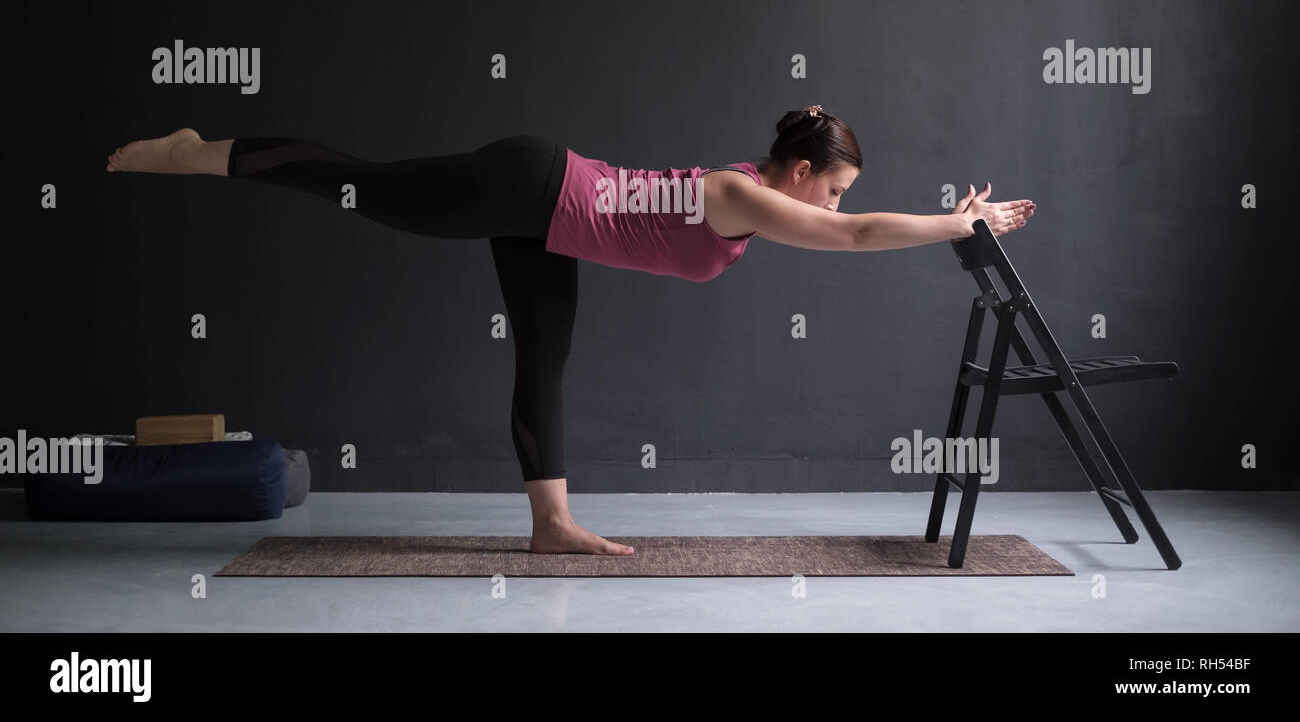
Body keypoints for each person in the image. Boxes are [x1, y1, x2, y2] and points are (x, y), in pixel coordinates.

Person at [106, 105, 1035, 556]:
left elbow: (851, 221)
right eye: (828, 185)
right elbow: (855, 234)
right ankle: (200, 155)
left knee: (546, 357)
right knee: (368, 184)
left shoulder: (746, 193)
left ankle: (551, 523)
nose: (831, 203)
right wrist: (962, 223)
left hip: (547, 216)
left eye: (836, 192)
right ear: (795, 172)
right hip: (531, 186)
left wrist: (957, 219)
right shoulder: (743, 195)